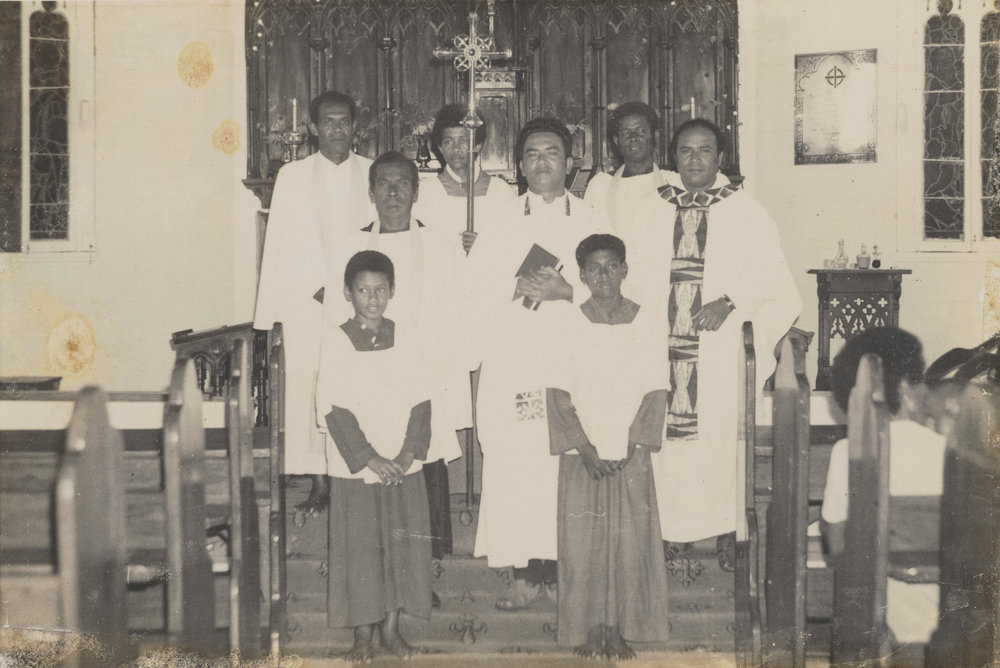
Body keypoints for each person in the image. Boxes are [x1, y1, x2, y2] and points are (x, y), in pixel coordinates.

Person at [633, 118, 802, 567]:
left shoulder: (745, 210)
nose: (694, 159)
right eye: (685, 151)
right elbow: (634, 273)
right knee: (670, 438)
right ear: (674, 157)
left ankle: (731, 529)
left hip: (718, 347)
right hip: (663, 344)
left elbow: (773, 275)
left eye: (704, 151)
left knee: (723, 436)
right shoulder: (652, 209)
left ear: (720, 158)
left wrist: (730, 301)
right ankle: (674, 529)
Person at [464, 117, 609, 609]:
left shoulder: (594, 221)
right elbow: (474, 291)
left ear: (571, 163)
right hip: (517, 361)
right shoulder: (501, 222)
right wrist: (512, 290)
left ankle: (569, 572)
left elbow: (618, 290)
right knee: (520, 460)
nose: (542, 161)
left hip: (576, 360)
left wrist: (567, 290)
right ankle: (526, 573)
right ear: (519, 166)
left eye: (552, 152)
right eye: (531, 153)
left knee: (568, 460)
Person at [328, 151, 465, 574]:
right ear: (371, 193)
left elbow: (459, 308)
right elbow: (335, 309)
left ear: (416, 191)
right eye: (383, 184)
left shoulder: (441, 243)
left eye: (402, 183)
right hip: (365, 373)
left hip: (426, 370)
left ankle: (427, 566)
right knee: (373, 460)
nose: (392, 192)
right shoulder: (351, 244)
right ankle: (374, 568)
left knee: (425, 459)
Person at [546, 233, 670, 658]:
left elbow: (657, 388)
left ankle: (618, 628)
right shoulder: (568, 320)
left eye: (611, 266)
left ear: (624, 270)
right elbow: (558, 390)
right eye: (593, 268)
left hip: (631, 450)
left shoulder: (648, 320)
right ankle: (589, 628)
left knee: (627, 541)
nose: (603, 274)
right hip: (585, 452)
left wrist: (637, 445)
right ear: (581, 275)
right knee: (583, 544)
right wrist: (583, 446)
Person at [254, 90, 374, 504]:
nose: (337, 129)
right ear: (312, 128)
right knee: (308, 386)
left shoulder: (372, 172)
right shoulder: (293, 176)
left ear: (355, 127)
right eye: (328, 122)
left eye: (344, 121)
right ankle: (318, 480)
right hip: (307, 300)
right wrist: (271, 316)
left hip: (361, 300)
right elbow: (280, 245)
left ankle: (353, 470)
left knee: (354, 384)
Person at [315, 250, 432, 661]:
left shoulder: (409, 335)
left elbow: (422, 400)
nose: (373, 298)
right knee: (361, 549)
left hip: (402, 463)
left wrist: (405, 454)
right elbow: (333, 407)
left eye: (380, 290)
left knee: (400, 545)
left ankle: (392, 630)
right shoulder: (337, 339)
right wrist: (370, 458)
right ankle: (362, 634)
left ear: (392, 291)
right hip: (360, 467)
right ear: (348, 293)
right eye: (363, 290)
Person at [820, 327, 946, 645]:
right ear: (905, 387)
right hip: (949, 630)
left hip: (878, 630)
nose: (926, 394)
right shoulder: (949, 452)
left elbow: (837, 547)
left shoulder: (844, 453)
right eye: (921, 382)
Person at [413, 103, 516, 252]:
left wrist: (484, 246)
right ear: (440, 148)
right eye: (448, 142)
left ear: (477, 145)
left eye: (463, 141)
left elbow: (515, 244)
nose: (455, 149)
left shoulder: (500, 191)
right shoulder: (426, 191)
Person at [584, 101, 670, 245]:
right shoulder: (601, 185)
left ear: (655, 136)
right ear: (617, 141)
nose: (633, 137)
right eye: (625, 133)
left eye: (641, 131)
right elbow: (590, 238)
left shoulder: (672, 182)